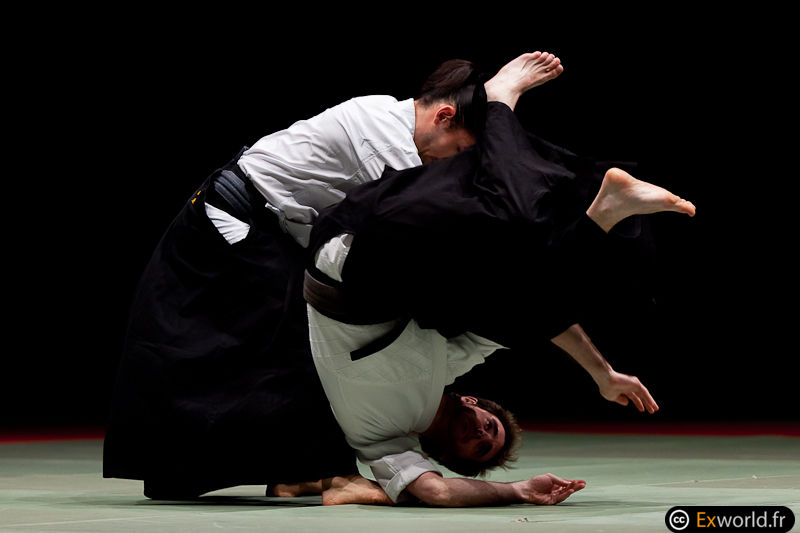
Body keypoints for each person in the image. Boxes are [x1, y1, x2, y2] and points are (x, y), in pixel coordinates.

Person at [102, 51, 565, 499]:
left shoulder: (391, 115)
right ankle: (330, 475)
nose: (448, 163)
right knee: (298, 350)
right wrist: (501, 100)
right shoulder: (388, 145)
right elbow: (458, 208)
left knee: (256, 358)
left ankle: (284, 474)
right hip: (236, 222)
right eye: (457, 150)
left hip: (258, 230)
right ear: (443, 117)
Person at [287, 88, 695, 506]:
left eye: (479, 447)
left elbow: (436, 491)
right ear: (477, 403)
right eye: (491, 430)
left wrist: (516, 490)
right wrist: (603, 375)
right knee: (527, 257)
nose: (480, 432)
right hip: (384, 241)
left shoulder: (380, 441)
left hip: (349, 264)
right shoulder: (447, 365)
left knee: (513, 229)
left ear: (446, 456)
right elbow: (539, 318)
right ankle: (602, 207)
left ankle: (500, 103)